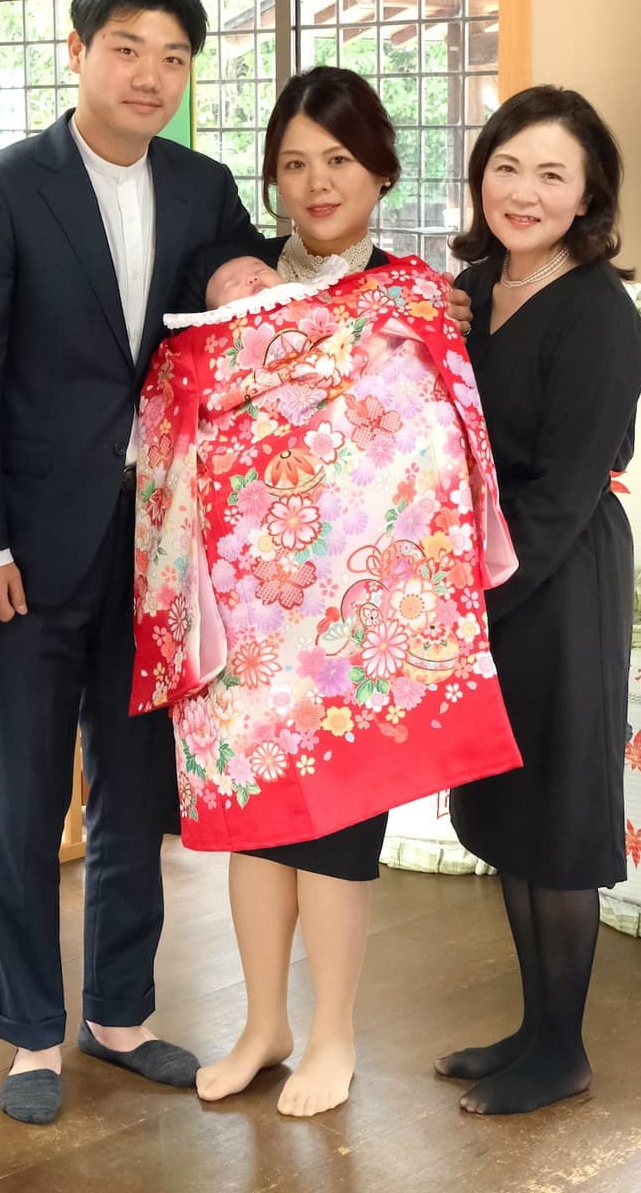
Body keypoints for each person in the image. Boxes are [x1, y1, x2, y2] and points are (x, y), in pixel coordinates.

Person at [0, 0, 268, 1126]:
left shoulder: (203, 184)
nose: (150, 75)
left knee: (136, 793)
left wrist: (243, 270)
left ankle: (120, 1014)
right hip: (28, 546)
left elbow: (242, 276)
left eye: (173, 57)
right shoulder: (0, 189)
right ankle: (30, 1034)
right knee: (25, 799)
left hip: (160, 546)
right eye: (127, 49)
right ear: (77, 53)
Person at [150, 66, 508, 1117]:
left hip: (358, 614)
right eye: (295, 164)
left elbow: (439, 454)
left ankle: (334, 1034)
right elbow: (182, 428)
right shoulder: (231, 291)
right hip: (246, 608)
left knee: (339, 832)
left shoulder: (419, 299)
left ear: (381, 172)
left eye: (339, 160)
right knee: (251, 821)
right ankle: (263, 1025)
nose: (317, 183)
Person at [440, 85, 641, 1116]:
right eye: (508, 167)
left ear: (587, 195)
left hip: (556, 582)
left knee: (557, 817)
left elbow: (565, 493)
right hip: (482, 570)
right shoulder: (474, 287)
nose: (524, 192)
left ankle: (563, 1048)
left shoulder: (602, 318)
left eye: (552, 174)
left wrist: (472, 603)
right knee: (509, 811)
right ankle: (533, 1028)